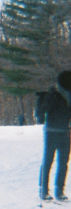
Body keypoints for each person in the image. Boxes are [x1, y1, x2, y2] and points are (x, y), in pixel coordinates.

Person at [36, 70, 71, 201]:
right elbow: (41, 112)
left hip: (65, 132)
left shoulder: (69, 95)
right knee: (48, 161)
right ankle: (44, 190)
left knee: (63, 163)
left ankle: (59, 191)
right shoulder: (53, 95)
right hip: (51, 132)